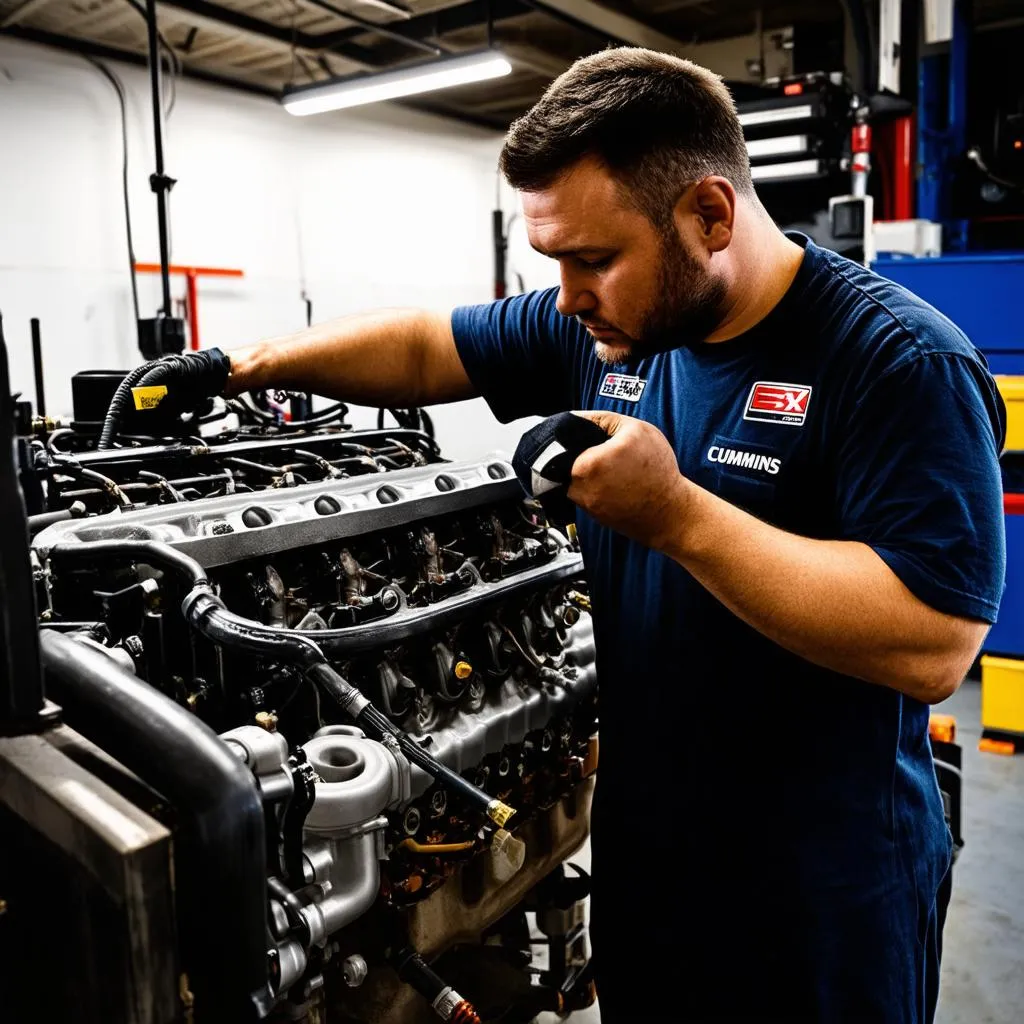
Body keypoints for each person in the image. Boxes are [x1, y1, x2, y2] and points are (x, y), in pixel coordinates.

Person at [220, 49, 1005, 1023]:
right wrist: (244, 364)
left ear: (710, 216)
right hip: (651, 855)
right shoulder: (608, 328)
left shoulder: (895, 361)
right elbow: (428, 345)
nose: (565, 294)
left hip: (820, 890)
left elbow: (930, 641)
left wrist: (675, 515)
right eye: (553, 261)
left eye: (592, 258)